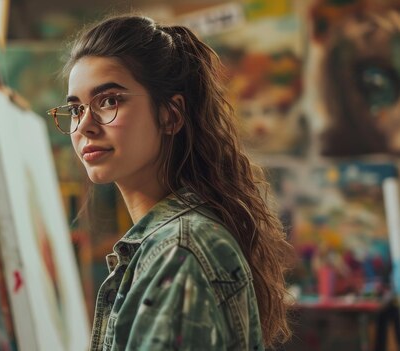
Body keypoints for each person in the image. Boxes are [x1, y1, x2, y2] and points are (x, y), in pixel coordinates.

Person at [46, 15, 294, 350]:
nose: (84, 126)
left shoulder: (179, 250)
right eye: (76, 109)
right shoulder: (175, 240)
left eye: (109, 101)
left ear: (170, 115)